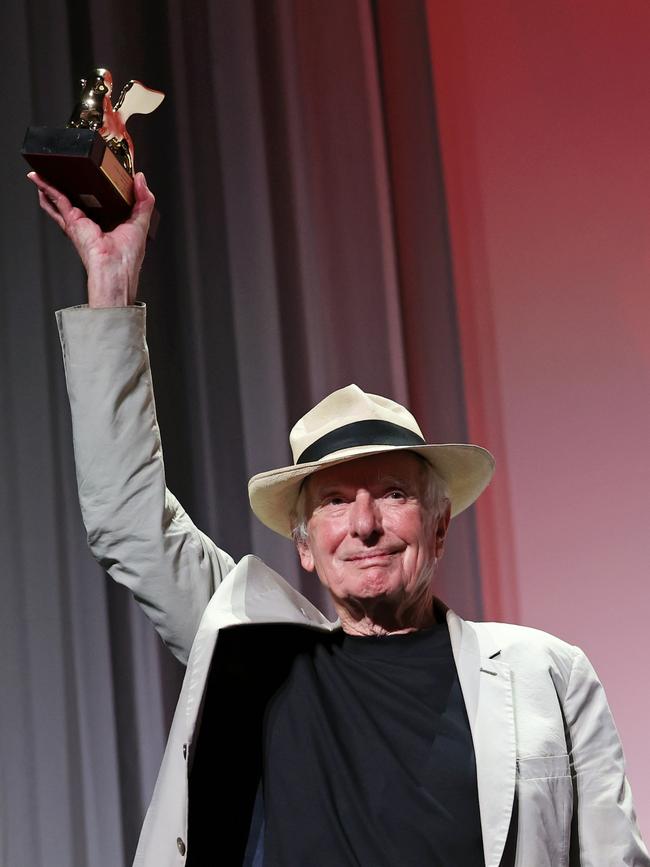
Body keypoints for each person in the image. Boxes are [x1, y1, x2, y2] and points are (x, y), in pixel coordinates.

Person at [28, 170, 649, 867]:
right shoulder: (260, 661)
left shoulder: (548, 673)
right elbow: (126, 520)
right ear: (303, 545)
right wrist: (112, 291)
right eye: (332, 501)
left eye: (391, 492)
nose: (364, 523)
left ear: (439, 525)